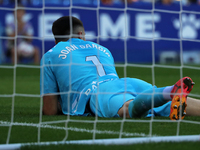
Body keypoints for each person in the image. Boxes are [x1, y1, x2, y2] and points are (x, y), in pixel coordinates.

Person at [40, 16, 200, 120]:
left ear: (56, 40)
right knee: (173, 103)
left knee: (127, 109)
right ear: (81, 34)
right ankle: (168, 92)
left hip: (98, 93)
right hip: (127, 83)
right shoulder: (102, 49)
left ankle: (169, 91)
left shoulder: (51, 54)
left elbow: (50, 110)